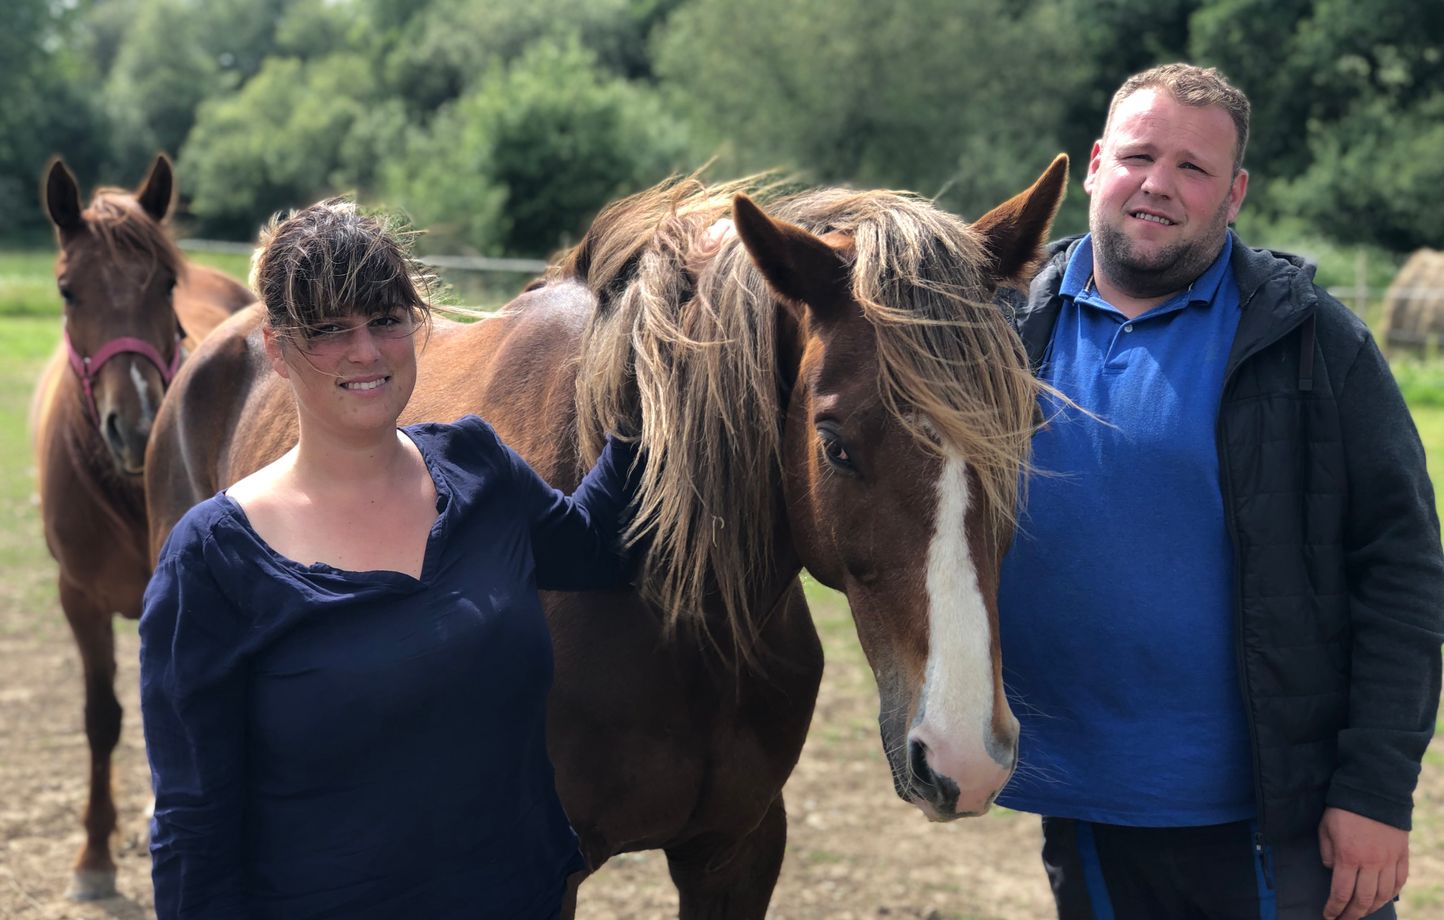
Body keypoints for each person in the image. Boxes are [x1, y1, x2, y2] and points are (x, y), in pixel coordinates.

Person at [996, 63, 1444, 920]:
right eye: (1138, 156)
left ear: (1234, 193)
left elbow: (1404, 572)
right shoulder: (1006, 330)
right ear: (1095, 165)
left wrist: (1377, 792)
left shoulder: (1311, 341)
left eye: (1194, 169)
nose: (1158, 184)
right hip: (1082, 797)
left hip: (1281, 814)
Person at [139, 199, 640, 919]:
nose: (366, 352)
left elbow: (597, 547)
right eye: (328, 331)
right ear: (277, 350)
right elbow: (192, 826)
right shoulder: (212, 562)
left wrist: (643, 377)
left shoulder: (479, 469)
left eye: (385, 320)